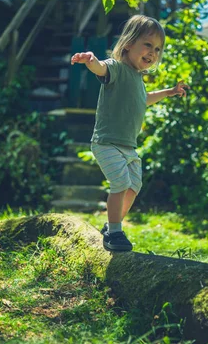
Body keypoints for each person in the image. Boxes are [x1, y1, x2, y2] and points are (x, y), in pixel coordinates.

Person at [70, 15, 189, 252]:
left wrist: (168, 92)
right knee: (121, 183)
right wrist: (90, 60)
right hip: (106, 142)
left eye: (157, 49)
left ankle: (111, 225)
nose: (152, 53)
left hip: (128, 146)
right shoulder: (117, 68)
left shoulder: (138, 79)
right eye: (147, 45)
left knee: (134, 186)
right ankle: (115, 232)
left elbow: (143, 100)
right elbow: (101, 68)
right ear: (128, 44)